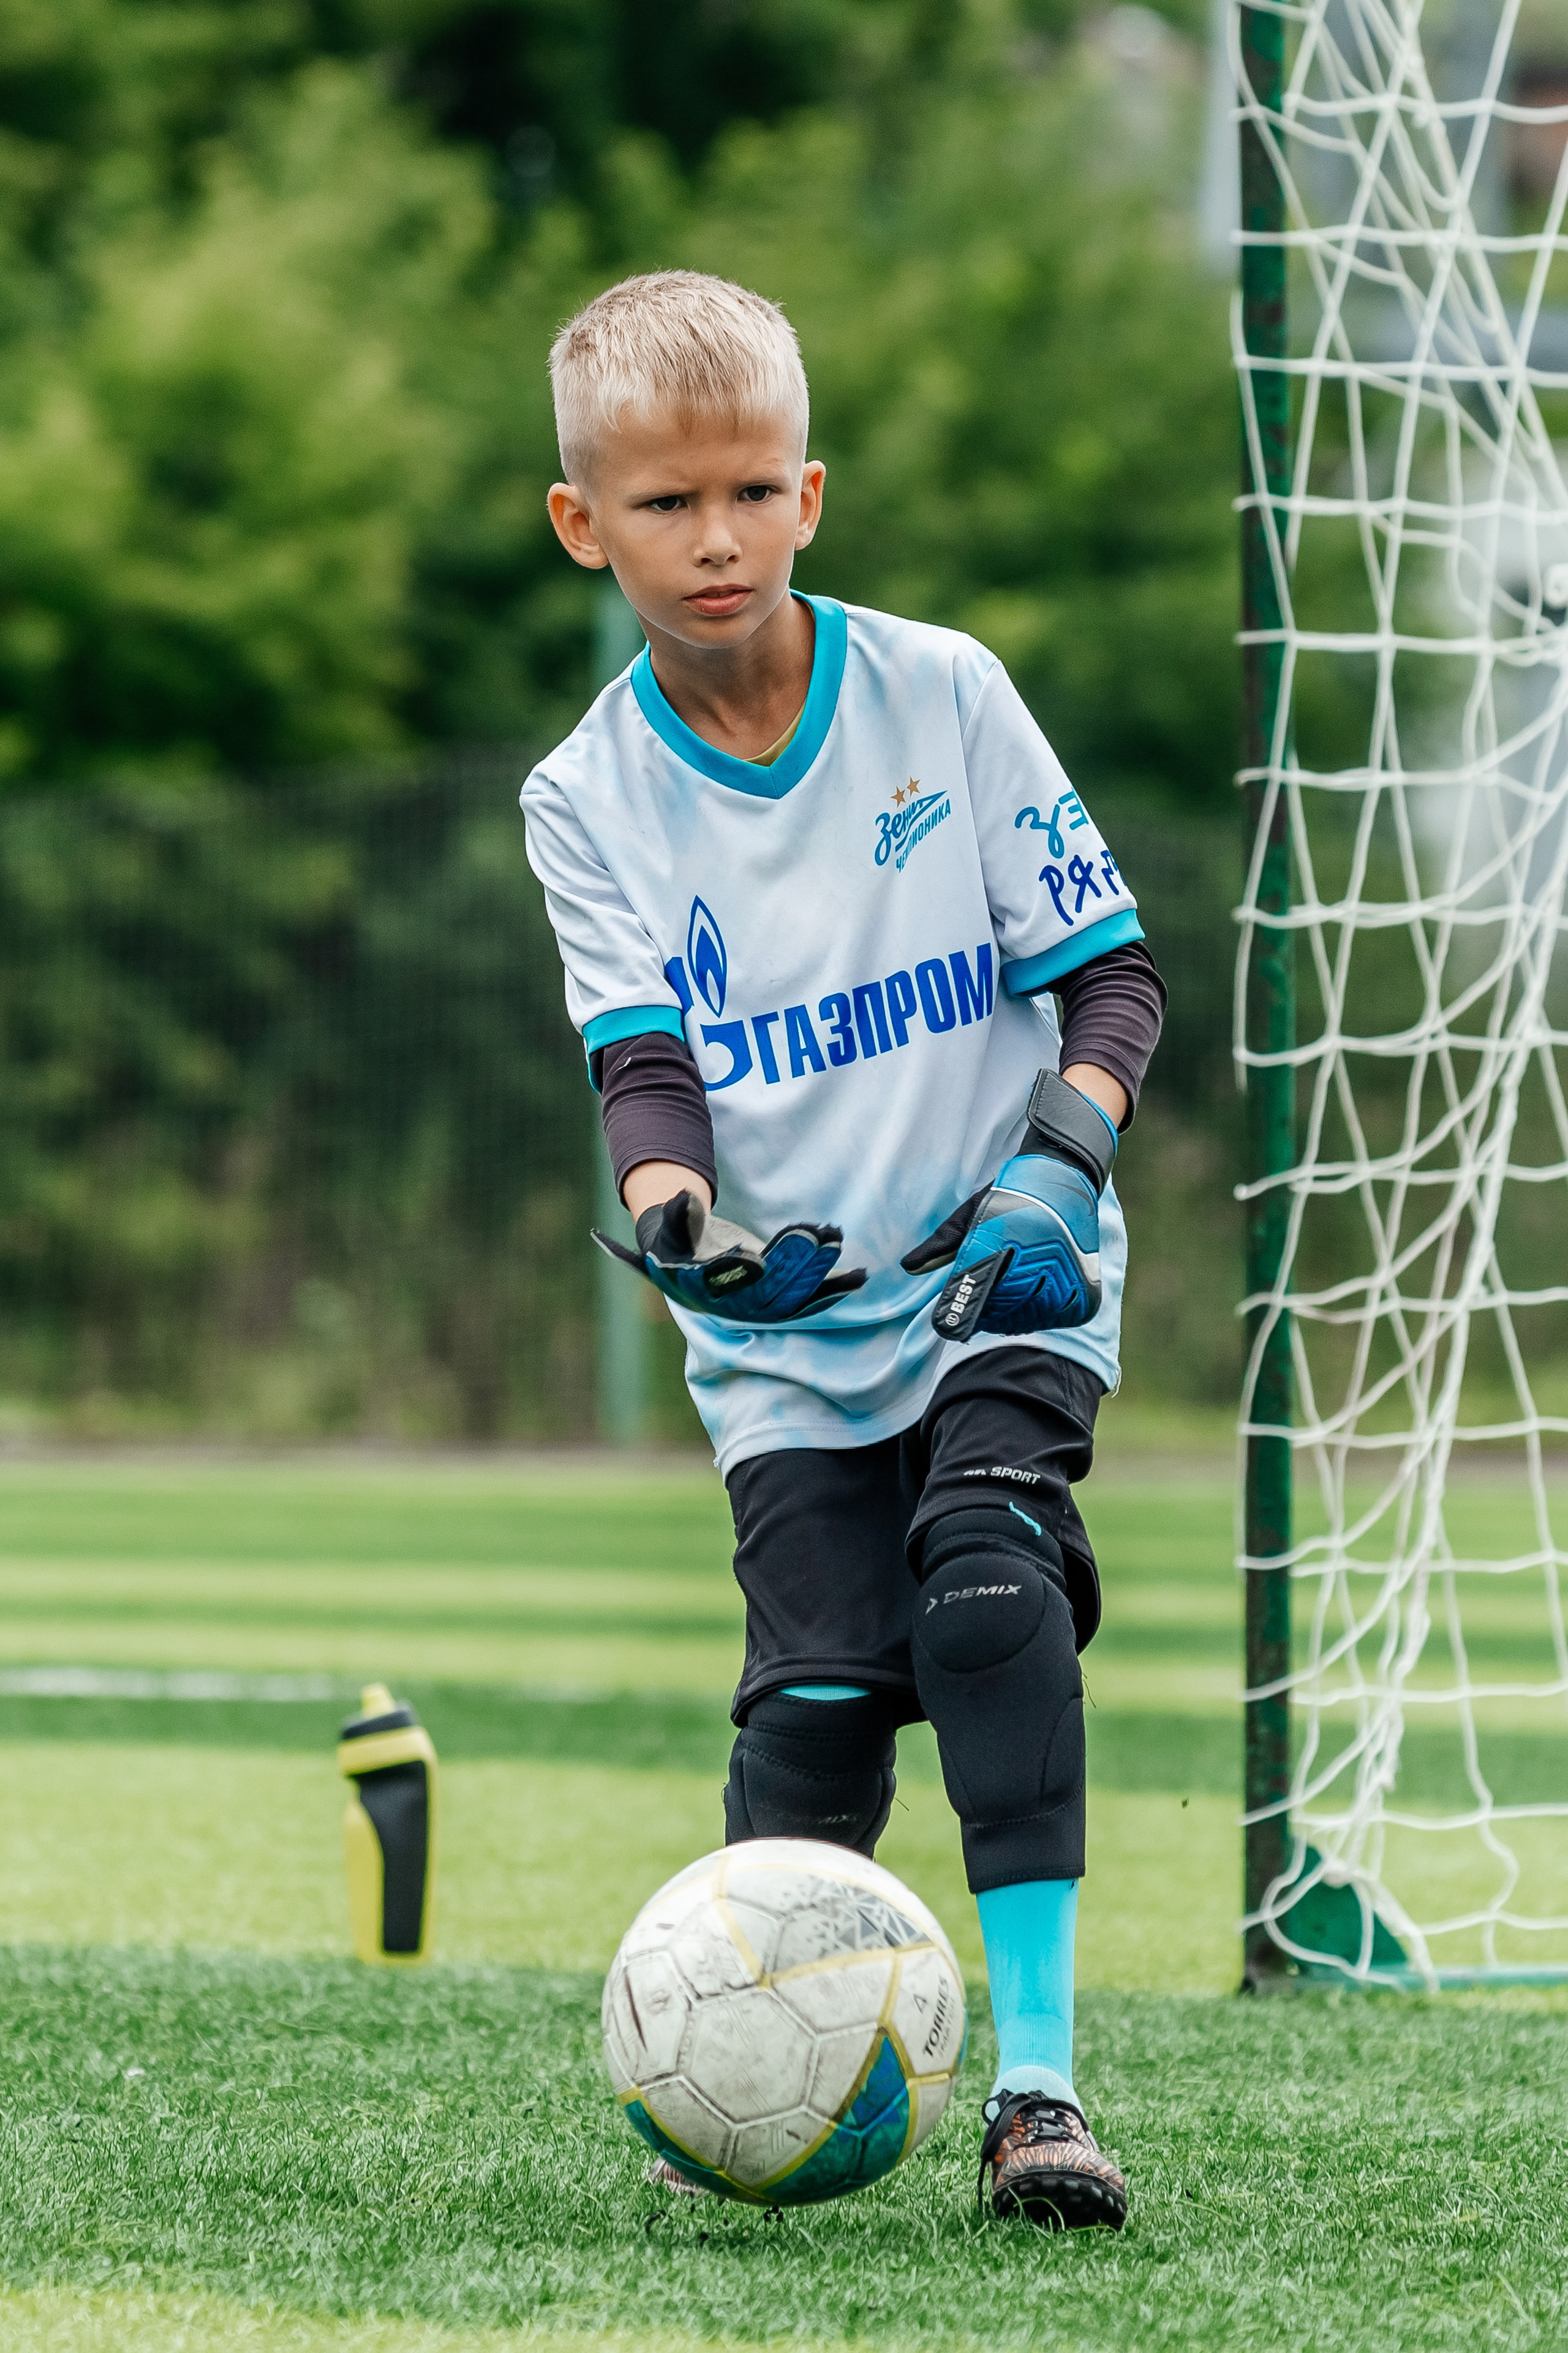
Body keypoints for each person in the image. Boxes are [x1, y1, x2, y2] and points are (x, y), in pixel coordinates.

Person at [522, 270, 1164, 2231]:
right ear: (583, 524)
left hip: (1005, 1273)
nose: (710, 539)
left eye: (746, 493)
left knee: (982, 1590)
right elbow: (646, 1083)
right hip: (797, 1349)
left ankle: (1039, 2090)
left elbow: (1112, 981)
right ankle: (747, 2087)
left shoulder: (943, 690)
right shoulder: (586, 795)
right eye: (660, 504)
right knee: (811, 1705)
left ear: (811, 494)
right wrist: (685, 1240)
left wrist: (1060, 1167)